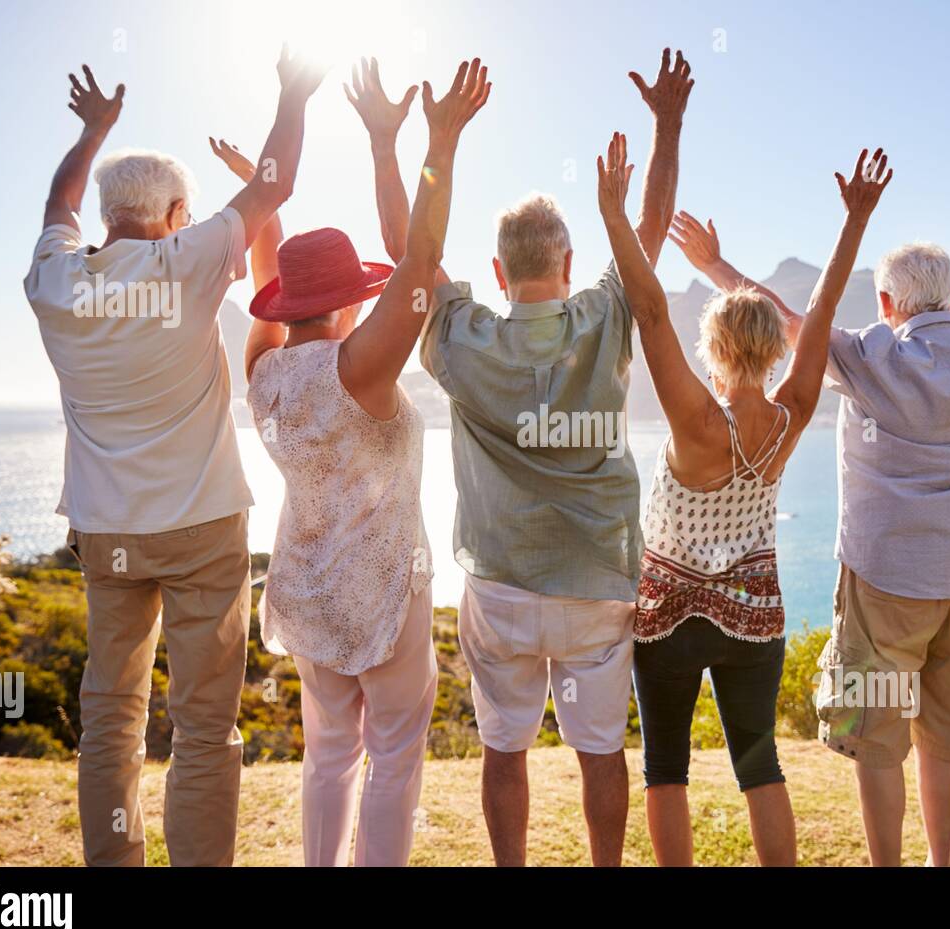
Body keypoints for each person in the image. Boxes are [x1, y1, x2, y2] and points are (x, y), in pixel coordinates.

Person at [367, 49, 692, 866]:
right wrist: (667, 123)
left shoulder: (465, 338)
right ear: (570, 264)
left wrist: (412, 145)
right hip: (595, 584)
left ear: (498, 272)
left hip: (503, 586)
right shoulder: (605, 318)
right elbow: (646, 235)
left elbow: (409, 259)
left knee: (504, 751)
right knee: (598, 752)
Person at [22, 50, 325, 866]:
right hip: (200, 531)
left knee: (110, 718)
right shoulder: (187, 263)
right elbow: (274, 187)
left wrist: (92, 134)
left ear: (109, 215)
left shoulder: (54, 281)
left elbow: (58, 201)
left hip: (107, 536)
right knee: (204, 727)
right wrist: (292, 94)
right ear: (178, 212)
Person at [209, 59, 490, 866]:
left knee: (328, 755)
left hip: (304, 589)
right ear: (348, 302)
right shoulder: (359, 370)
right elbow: (420, 264)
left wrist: (262, 201)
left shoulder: (265, 370)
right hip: (384, 596)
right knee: (395, 756)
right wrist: (433, 144)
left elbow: (270, 277)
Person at [598, 134, 892, 865]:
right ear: (770, 351)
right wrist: (854, 220)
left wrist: (614, 217)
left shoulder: (697, 422)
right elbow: (819, 317)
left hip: (666, 617)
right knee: (760, 769)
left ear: (714, 347)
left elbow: (651, 311)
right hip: (755, 621)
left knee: (666, 771)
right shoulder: (789, 417)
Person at [813, 188, 950, 866]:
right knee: (942, 736)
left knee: (876, 737)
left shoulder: (869, 359)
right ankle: (941, 861)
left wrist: (719, 265)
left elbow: (795, 324)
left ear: (886, 305)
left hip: (887, 585)